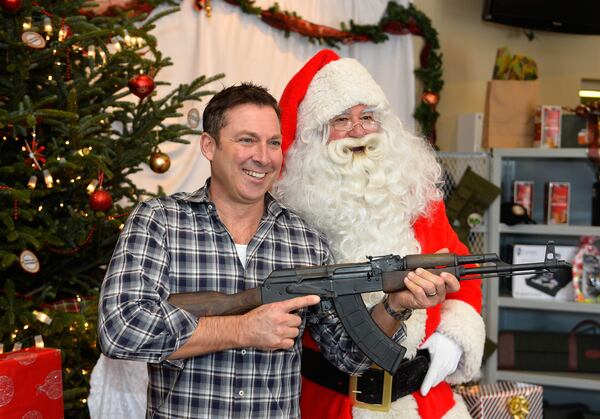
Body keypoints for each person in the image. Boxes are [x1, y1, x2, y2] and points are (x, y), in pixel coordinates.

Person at [97, 83, 459, 419]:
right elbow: (120, 330)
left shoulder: (304, 238)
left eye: (273, 143)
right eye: (247, 140)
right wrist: (242, 329)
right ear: (209, 146)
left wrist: (396, 305)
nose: (263, 157)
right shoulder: (160, 221)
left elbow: (351, 357)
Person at [273, 50, 485, 418]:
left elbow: (463, 268)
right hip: (335, 404)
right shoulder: (293, 215)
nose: (358, 131)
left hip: (426, 400)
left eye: (367, 117)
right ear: (313, 137)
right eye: (341, 120)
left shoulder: (417, 197)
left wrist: (454, 334)